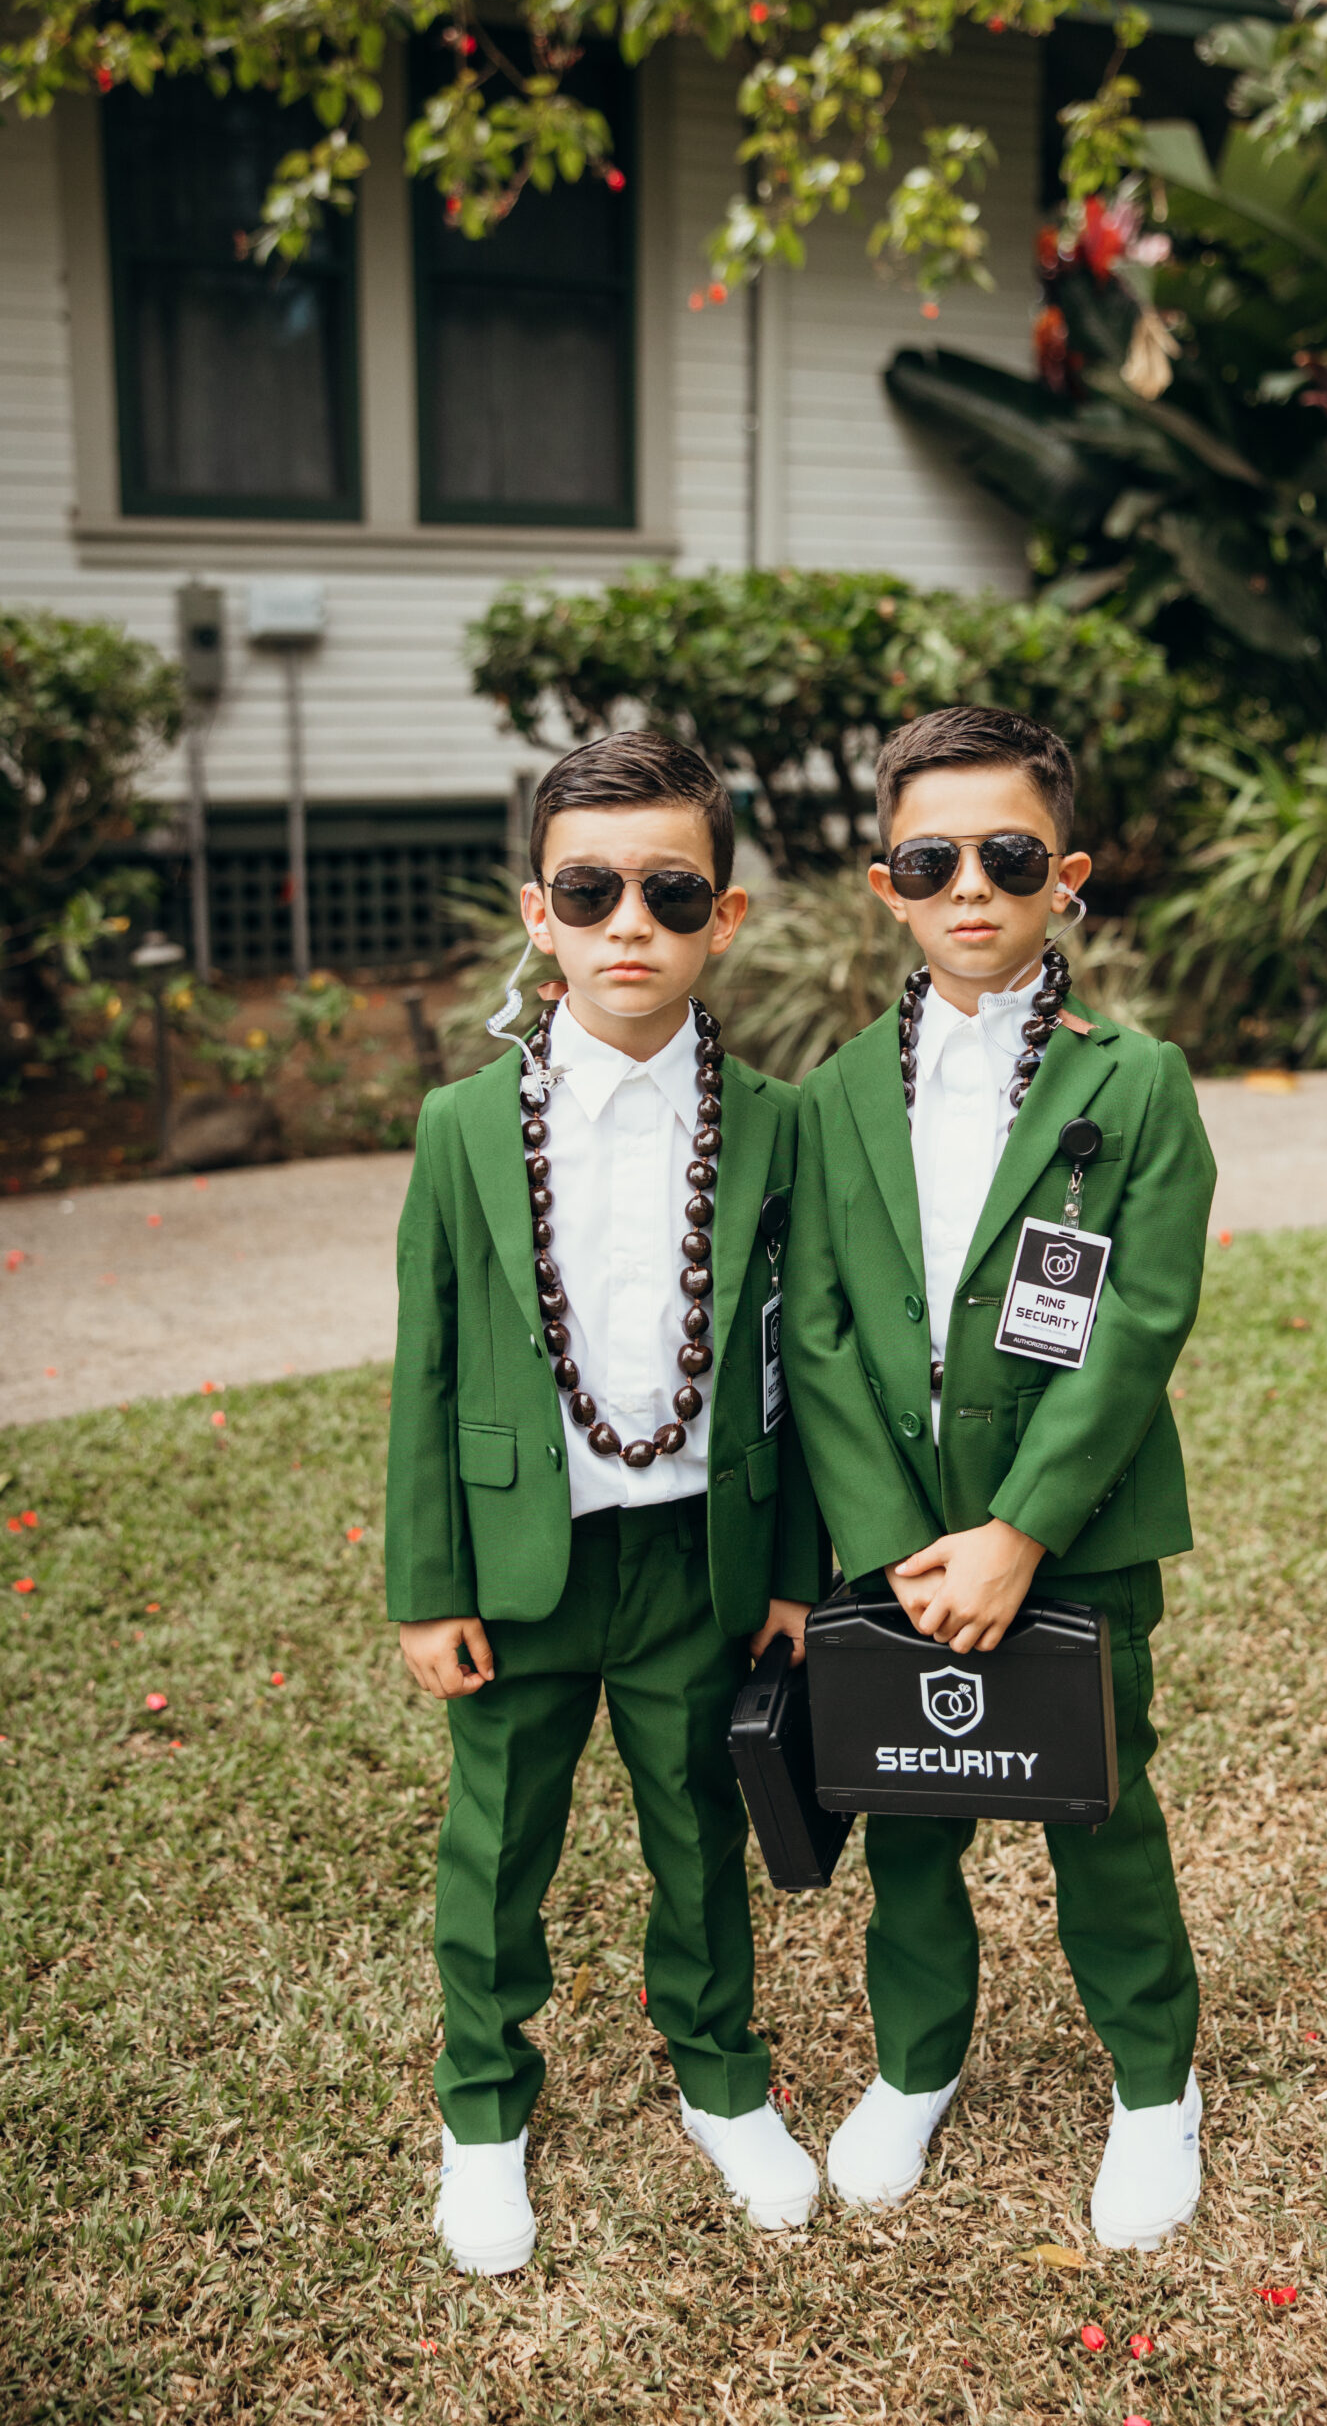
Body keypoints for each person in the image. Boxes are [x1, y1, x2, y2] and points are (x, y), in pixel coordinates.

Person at [386, 732, 826, 2273]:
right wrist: (426, 1586)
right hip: (523, 1560)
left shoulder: (779, 1124)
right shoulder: (461, 1128)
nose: (629, 922)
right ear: (540, 912)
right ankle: (483, 2108)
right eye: (590, 891)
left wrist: (792, 1568)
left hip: (700, 1552)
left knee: (699, 1823)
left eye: (669, 891)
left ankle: (722, 2078)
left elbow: (799, 1364)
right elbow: (428, 1367)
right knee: (499, 1841)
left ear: (726, 916)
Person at [780, 703, 1215, 2248]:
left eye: (1010, 857)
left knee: (1103, 1808)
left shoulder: (1138, 1083)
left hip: (1075, 1531)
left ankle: (1154, 2085)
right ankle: (916, 2063)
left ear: (1065, 878)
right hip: (895, 1546)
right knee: (907, 1814)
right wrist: (899, 1542)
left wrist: (1019, 1530)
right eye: (932, 860)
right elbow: (818, 1333)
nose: (971, 886)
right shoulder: (834, 1094)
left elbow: (1136, 1324)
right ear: (886, 887)